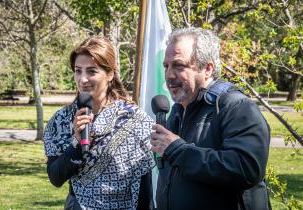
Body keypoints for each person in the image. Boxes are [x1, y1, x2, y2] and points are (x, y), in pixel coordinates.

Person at [150, 27, 270, 210]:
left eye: (179, 65)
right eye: (166, 66)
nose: (169, 75)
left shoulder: (237, 107)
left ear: (207, 68)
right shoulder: (176, 111)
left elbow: (247, 169)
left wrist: (177, 150)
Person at [44, 36, 155, 210]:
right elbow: (55, 178)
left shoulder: (135, 120)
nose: (82, 79)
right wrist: (77, 144)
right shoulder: (61, 120)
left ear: (110, 74)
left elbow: (143, 187)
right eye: (78, 70)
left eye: (91, 71)